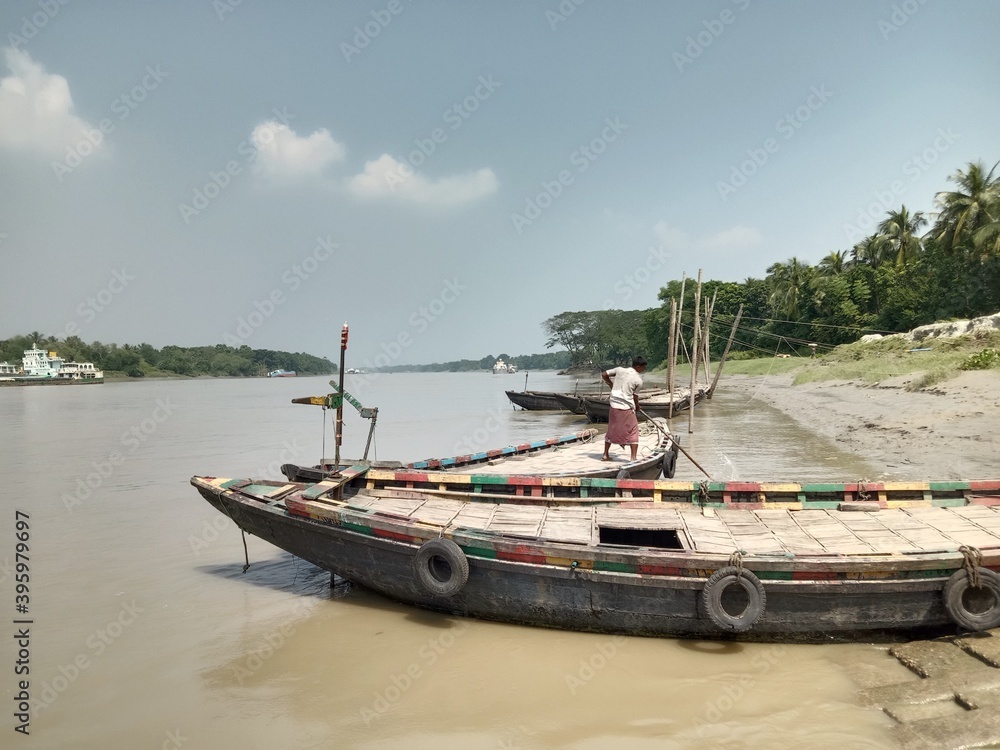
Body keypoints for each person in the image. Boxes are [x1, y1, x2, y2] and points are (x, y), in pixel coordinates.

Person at [601, 356, 647, 461]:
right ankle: (633, 458)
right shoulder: (638, 380)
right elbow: (635, 397)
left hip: (614, 405)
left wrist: (611, 384)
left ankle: (605, 454)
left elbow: (604, 374)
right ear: (638, 366)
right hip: (626, 407)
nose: (643, 370)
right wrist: (637, 407)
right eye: (643, 368)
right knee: (633, 430)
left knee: (612, 428)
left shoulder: (619, 370)